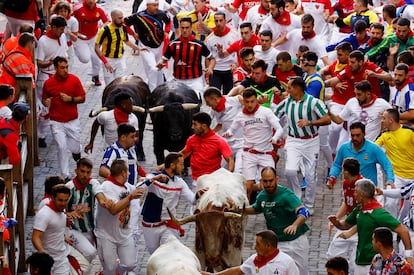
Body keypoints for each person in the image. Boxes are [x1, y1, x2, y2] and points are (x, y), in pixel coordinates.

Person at [328, 179, 413, 274]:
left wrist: (408, 255)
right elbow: (346, 225)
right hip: (360, 260)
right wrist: (336, 223)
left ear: (362, 194)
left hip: (374, 263)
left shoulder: (379, 213)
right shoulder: (359, 209)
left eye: (356, 191)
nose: (354, 194)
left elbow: (403, 231)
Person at [274, 77, 331, 213]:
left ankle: (309, 205)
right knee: (290, 171)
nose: (287, 90)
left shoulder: (313, 102)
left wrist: (310, 123)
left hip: (311, 141)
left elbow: (327, 119)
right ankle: (297, 200)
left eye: (289, 87)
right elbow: (274, 116)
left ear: (298, 88)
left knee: (310, 175)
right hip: (293, 140)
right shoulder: (286, 102)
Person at [244, 167, 310, 275]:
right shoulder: (262, 196)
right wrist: (240, 209)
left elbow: (304, 212)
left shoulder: (286, 195)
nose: (268, 184)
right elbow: (256, 208)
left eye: (271, 180)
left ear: (277, 179)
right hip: (278, 244)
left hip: (296, 243)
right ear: (261, 181)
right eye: (265, 181)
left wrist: (294, 225)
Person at [224, 88, 283, 199]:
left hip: (266, 153)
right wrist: (228, 133)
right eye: (247, 102)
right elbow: (232, 129)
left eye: (252, 101)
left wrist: (275, 138)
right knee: (248, 185)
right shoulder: (240, 116)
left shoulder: (266, 112)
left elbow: (279, 129)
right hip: (249, 154)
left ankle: (272, 205)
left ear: (256, 100)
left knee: (269, 184)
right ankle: (244, 208)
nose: (250, 105)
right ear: (243, 101)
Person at [141, 152, 198, 253]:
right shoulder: (153, 177)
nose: (183, 167)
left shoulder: (179, 183)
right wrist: (153, 180)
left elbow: (193, 200)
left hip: (169, 226)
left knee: (170, 253)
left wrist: (199, 194)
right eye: (181, 164)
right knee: (155, 255)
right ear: (172, 165)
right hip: (151, 225)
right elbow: (139, 189)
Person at [94, 160, 145, 275]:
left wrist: (154, 178)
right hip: (107, 235)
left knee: (130, 264)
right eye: (128, 171)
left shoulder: (127, 186)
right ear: (123, 173)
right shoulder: (106, 187)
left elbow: (139, 188)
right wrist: (130, 197)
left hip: (124, 234)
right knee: (110, 268)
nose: (130, 174)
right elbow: (113, 210)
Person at [42, 56, 85, 181]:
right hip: (56, 122)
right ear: (55, 68)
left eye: (66, 67)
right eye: (62, 68)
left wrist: (70, 99)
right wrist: (46, 102)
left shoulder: (74, 80)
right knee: (61, 147)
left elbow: (82, 98)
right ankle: (65, 175)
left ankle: (77, 151)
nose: (65, 70)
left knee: (75, 147)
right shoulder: (48, 83)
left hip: (72, 121)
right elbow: (44, 99)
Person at [65, 158, 110, 263]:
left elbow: (99, 194)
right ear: (76, 171)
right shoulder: (69, 187)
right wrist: (69, 214)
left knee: (87, 259)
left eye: (88, 172)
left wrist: (104, 202)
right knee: (90, 253)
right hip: (73, 230)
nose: (85, 175)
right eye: (82, 171)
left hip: (89, 230)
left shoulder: (93, 183)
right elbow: (59, 210)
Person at [156, 17, 215, 97]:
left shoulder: (199, 45)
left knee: (197, 102)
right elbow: (164, 59)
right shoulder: (173, 44)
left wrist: (210, 68)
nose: (184, 30)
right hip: (178, 81)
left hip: (195, 81)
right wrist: (160, 63)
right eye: (182, 28)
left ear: (191, 28)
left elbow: (212, 59)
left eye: (187, 27)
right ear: (180, 28)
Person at [327, 122, 394, 189]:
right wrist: (332, 177)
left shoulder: (373, 148)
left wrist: (390, 180)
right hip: (350, 189)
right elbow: (337, 165)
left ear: (364, 134)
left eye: (358, 135)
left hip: (368, 191)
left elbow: (387, 164)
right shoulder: (344, 148)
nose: (355, 138)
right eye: (352, 135)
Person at [201, 230, 299, 275]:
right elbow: (239, 270)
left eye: (258, 244)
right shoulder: (254, 259)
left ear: (268, 246)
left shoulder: (287, 262)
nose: (255, 247)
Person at [124, 0, 172, 92]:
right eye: (154, 5)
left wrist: (167, 31)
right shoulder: (138, 16)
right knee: (153, 69)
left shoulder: (161, 14)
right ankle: (152, 91)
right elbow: (125, 22)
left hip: (160, 45)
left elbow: (168, 21)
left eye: (157, 5)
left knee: (159, 69)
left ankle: (160, 89)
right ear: (147, 5)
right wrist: (133, 34)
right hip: (146, 47)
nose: (156, 7)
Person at [36, 16, 68, 149]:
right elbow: (39, 62)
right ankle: (40, 136)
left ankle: (57, 132)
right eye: (60, 29)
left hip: (60, 77)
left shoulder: (62, 36)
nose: (62, 32)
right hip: (46, 78)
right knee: (45, 109)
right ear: (53, 27)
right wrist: (50, 62)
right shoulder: (43, 41)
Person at [375, 109, 414, 218]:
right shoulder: (384, 135)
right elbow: (374, 148)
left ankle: (403, 229)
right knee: (390, 204)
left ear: (391, 120)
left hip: (412, 178)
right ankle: (391, 232)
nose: (382, 121)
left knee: (409, 208)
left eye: (384, 118)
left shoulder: (409, 132)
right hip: (396, 177)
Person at [326, 158, 362, 274]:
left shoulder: (363, 186)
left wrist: (349, 233)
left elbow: (366, 215)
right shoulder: (346, 183)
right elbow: (347, 202)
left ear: (346, 172)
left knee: (354, 264)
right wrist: (336, 220)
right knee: (333, 254)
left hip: (361, 227)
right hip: (347, 223)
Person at [328, 80, 392, 143]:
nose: (356, 97)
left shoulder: (381, 104)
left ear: (368, 94)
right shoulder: (352, 102)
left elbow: (395, 118)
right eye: (355, 94)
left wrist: (385, 121)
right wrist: (328, 112)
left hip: (370, 147)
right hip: (353, 145)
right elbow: (339, 120)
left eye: (359, 94)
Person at [179, 112, 234, 183]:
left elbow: (230, 160)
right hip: (196, 181)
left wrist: (229, 177)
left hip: (213, 181)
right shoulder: (191, 139)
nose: (192, 127)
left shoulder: (219, 141)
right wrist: (165, 165)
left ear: (204, 126)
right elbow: (182, 154)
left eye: (195, 124)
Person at [320, 42, 353, 154]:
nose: (338, 57)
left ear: (348, 55)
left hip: (352, 103)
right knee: (335, 128)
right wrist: (334, 83)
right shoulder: (335, 64)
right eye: (337, 54)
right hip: (337, 102)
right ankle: (332, 152)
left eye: (340, 55)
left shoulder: (353, 66)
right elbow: (323, 71)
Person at [95, 9, 142, 86]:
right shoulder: (105, 30)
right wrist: (105, 62)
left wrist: (138, 48)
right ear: (113, 18)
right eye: (119, 18)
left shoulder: (123, 27)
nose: (122, 20)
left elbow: (126, 41)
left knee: (121, 83)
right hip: (108, 60)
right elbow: (96, 47)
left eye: (122, 18)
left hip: (120, 59)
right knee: (110, 85)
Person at [32, 184, 72, 275]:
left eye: (66, 200)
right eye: (60, 200)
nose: (63, 204)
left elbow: (54, 229)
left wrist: (64, 236)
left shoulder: (62, 211)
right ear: (53, 198)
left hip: (61, 259)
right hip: (45, 263)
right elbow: (35, 237)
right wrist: (44, 256)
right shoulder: (44, 214)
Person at [203, 87, 243, 173]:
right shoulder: (215, 111)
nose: (207, 105)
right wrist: (210, 133)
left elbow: (251, 106)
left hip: (242, 144)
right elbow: (220, 124)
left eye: (207, 102)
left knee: (238, 171)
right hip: (227, 143)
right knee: (218, 170)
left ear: (215, 99)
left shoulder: (236, 100)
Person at [325, 50, 393, 99]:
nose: (350, 64)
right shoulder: (348, 69)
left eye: (352, 62)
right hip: (360, 103)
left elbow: (389, 77)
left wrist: (376, 75)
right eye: (349, 62)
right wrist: (321, 83)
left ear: (360, 62)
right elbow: (332, 81)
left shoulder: (371, 66)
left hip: (375, 101)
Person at [73, 0, 109, 86]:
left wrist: (103, 28)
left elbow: (107, 21)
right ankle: (77, 49)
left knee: (96, 57)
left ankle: (95, 76)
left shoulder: (100, 9)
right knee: (85, 59)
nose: (91, 1)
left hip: (94, 36)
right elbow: (67, 16)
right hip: (80, 37)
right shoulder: (77, 7)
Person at [204, 11, 239, 94]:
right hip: (215, 71)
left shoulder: (235, 35)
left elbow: (239, 53)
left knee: (229, 97)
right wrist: (208, 74)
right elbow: (207, 57)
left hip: (230, 71)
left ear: (225, 21)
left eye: (221, 20)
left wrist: (237, 67)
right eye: (216, 21)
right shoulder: (209, 38)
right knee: (215, 96)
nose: (218, 23)